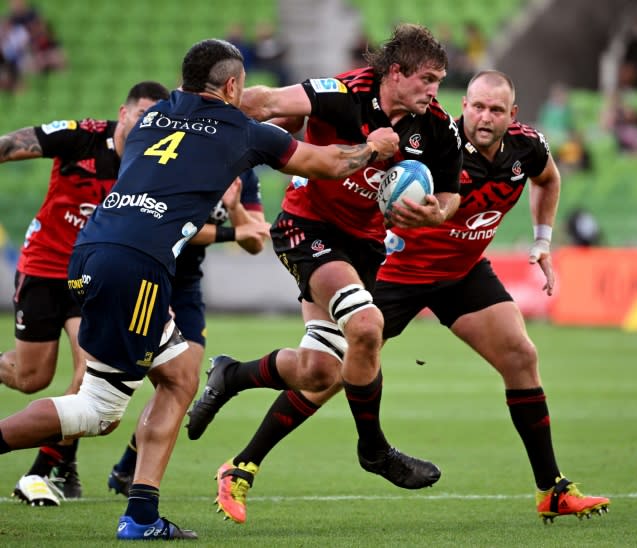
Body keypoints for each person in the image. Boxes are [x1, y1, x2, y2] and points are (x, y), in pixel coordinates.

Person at [0, 37, 400, 541]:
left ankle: (142, 512)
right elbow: (328, 164)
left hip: (89, 252)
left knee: (180, 375)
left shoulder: (153, 117)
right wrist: (374, 148)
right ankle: (138, 516)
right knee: (97, 410)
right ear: (233, 85)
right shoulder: (242, 131)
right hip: (139, 267)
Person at [187, 70, 611, 524]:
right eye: (477, 106)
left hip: (462, 273)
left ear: (513, 115)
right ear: (463, 105)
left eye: (495, 110)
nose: (484, 117)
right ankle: (242, 463)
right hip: (397, 272)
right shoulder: (433, 141)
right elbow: (359, 168)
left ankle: (552, 490)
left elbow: (548, 179)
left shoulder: (528, 147)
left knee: (521, 355)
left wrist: (542, 239)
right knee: (326, 375)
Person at [186, 23, 463, 523]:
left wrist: (436, 214)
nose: (434, 91)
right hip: (306, 227)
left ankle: (231, 375)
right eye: (427, 79)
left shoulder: (437, 128)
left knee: (318, 371)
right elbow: (264, 103)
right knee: (366, 325)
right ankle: (374, 450)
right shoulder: (345, 94)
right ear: (395, 73)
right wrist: (202, 123)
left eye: (439, 81)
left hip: (365, 246)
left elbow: (450, 194)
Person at [0, 80, 170, 506]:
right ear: (124, 112)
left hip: (91, 274)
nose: (147, 125)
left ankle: (41, 472)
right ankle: (61, 463)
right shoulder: (83, 135)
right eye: (141, 115)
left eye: (156, 120)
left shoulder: (156, 159)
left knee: (87, 371)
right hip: (42, 266)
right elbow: (15, 144)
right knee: (30, 377)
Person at [107, 168, 270, 496]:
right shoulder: (188, 156)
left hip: (187, 283)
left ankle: (128, 469)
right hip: (149, 270)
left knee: (184, 381)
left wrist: (235, 207)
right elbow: (171, 226)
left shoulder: (245, 172)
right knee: (110, 393)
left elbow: (254, 241)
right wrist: (233, 232)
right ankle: (57, 460)